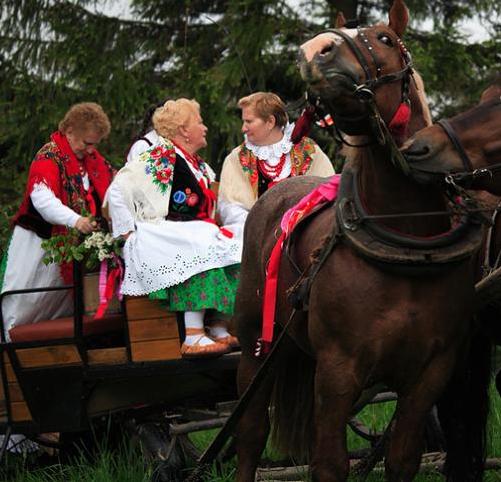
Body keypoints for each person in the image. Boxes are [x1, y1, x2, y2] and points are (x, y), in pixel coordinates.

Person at [106, 98, 242, 357]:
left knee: (239, 245)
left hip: (193, 230)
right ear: (183, 130)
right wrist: (127, 233)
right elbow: (118, 188)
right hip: (168, 233)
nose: (205, 128)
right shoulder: (163, 155)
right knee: (202, 245)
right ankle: (192, 335)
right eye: (199, 123)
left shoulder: (197, 163)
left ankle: (217, 325)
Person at [0, 103, 115, 346]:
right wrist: (75, 220)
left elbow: (115, 186)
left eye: (95, 144)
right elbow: (41, 197)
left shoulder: (93, 160)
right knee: (26, 301)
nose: (91, 150)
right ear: (69, 132)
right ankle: (12, 346)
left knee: (64, 303)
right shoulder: (49, 155)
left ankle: (61, 350)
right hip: (38, 247)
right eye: (87, 143)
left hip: (70, 247)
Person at [218, 92, 335, 229]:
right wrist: (261, 229)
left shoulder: (308, 152)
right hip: (255, 235)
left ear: (270, 122)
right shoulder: (238, 157)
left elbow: (328, 195)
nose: (243, 128)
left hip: (303, 232)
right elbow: (230, 208)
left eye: (249, 121)